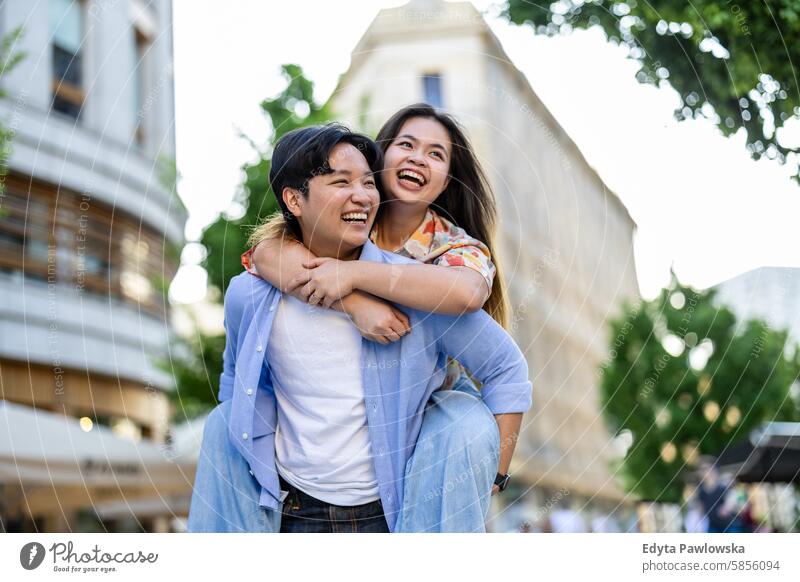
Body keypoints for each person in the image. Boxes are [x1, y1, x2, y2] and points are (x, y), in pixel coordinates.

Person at [187, 123, 532, 533]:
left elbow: (505, 367)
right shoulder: (250, 294)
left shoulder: (418, 286)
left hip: (391, 514)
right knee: (221, 421)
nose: (362, 195)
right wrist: (350, 298)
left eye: (368, 183)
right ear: (294, 199)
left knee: (466, 421)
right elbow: (236, 379)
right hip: (292, 512)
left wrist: (493, 473)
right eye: (342, 182)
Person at [242, 103, 515, 493]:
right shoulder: (349, 216)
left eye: (436, 154)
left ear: (447, 180)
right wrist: (352, 302)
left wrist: (351, 274)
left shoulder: (455, 246)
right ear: (380, 157)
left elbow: (467, 291)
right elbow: (266, 255)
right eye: (407, 144)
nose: (419, 158)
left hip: (427, 399)